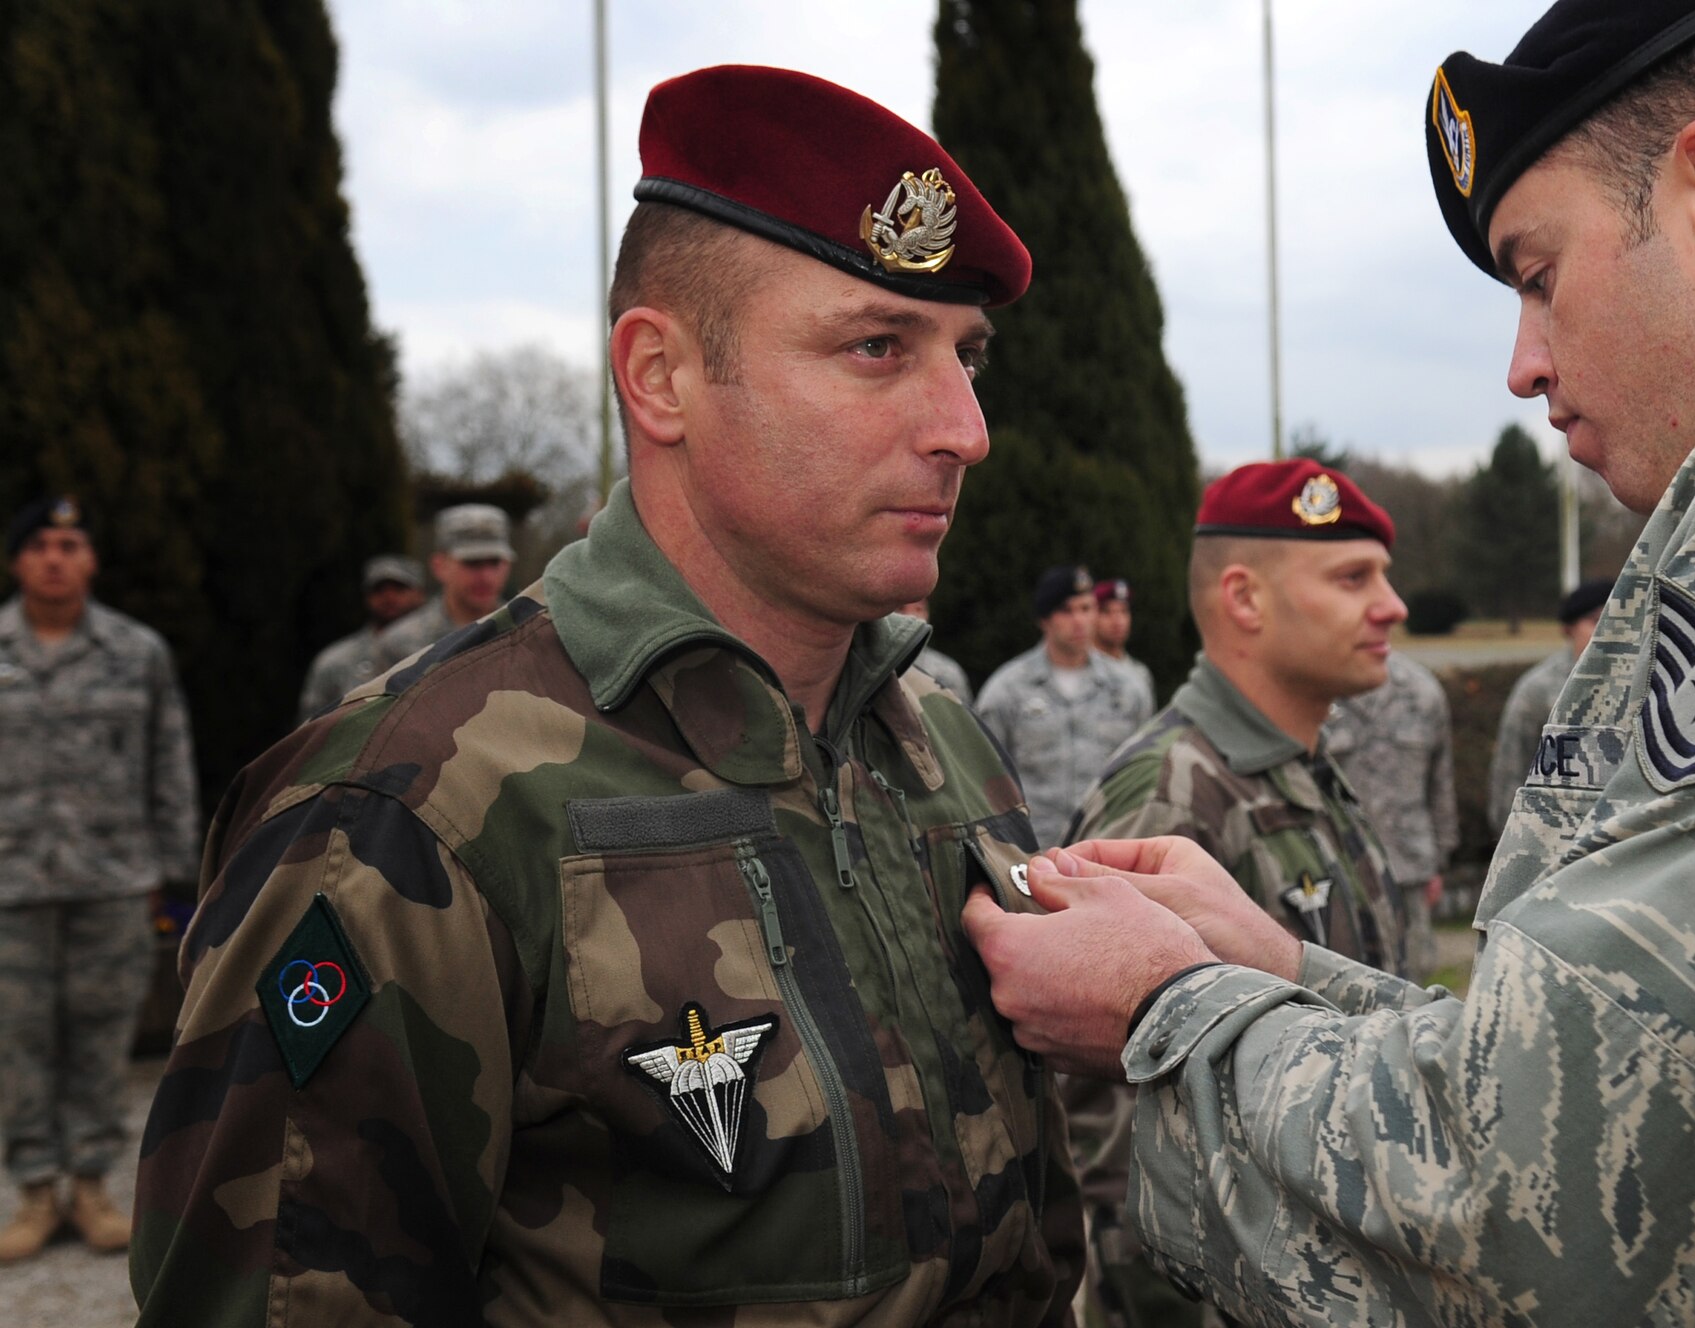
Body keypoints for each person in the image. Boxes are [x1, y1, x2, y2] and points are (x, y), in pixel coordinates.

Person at [964, 0, 1695, 1321]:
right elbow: (1669, 1067)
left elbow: (1566, 1222)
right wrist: (1278, 974)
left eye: (1539, 272)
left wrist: (1163, 1009)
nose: (1522, 363)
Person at [133, 66, 1081, 1325]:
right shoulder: (404, 814)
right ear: (662, 378)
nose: (964, 426)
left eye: (966, 358)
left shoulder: (942, 749)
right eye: (875, 348)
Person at [1061, 460, 1408, 1328]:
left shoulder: (1300, 766)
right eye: (1353, 577)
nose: (1393, 604)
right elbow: (1115, 1136)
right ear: (1245, 600)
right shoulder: (1171, 796)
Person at [0, 496, 197, 1262]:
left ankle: (91, 1185)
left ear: (91, 560)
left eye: (70, 543)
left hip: (114, 877)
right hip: (10, 883)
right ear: (19, 560)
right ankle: (34, 1191)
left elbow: (168, 758)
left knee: (102, 1037)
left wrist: (177, 872)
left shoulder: (135, 651)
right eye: (40, 544)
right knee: (16, 1041)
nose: (55, 556)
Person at [977, 566, 1149, 847]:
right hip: (1032, 853)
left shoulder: (1127, 688)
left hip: (1109, 849)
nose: (1079, 620)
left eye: (1086, 608)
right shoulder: (1007, 690)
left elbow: (1142, 773)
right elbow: (982, 776)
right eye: (1067, 611)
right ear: (1044, 619)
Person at [1321, 647, 1457, 977]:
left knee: (1414, 981)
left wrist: (1439, 859)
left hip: (1407, 865)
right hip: (1335, 869)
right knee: (1336, 983)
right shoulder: (1320, 687)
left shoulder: (1421, 693)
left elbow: (1440, 782)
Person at [1485, 577, 1612, 833]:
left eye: (1619, 620)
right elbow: (1511, 771)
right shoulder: (1538, 690)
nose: (1609, 630)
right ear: (1568, 628)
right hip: (1553, 840)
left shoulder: (1648, 684)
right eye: (1596, 621)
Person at [370, 503, 515, 669]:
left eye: (494, 562)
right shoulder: (401, 645)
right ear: (439, 566)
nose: (486, 577)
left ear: (507, 564)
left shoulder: (527, 631)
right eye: (472, 563)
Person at [294, 555, 426, 724]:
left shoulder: (440, 649)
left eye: (399, 589)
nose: (389, 597)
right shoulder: (334, 660)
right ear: (366, 597)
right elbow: (310, 727)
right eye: (379, 590)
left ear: (420, 594)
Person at [1090, 578, 1154, 714]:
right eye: (1106, 612)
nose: (1117, 621)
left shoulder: (1140, 673)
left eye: (1123, 611)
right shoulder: (1080, 669)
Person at [896, 596, 974, 702]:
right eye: (900, 609)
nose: (911, 616)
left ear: (927, 615)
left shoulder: (946, 672)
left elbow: (960, 716)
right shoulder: (873, 664)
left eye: (918, 609)